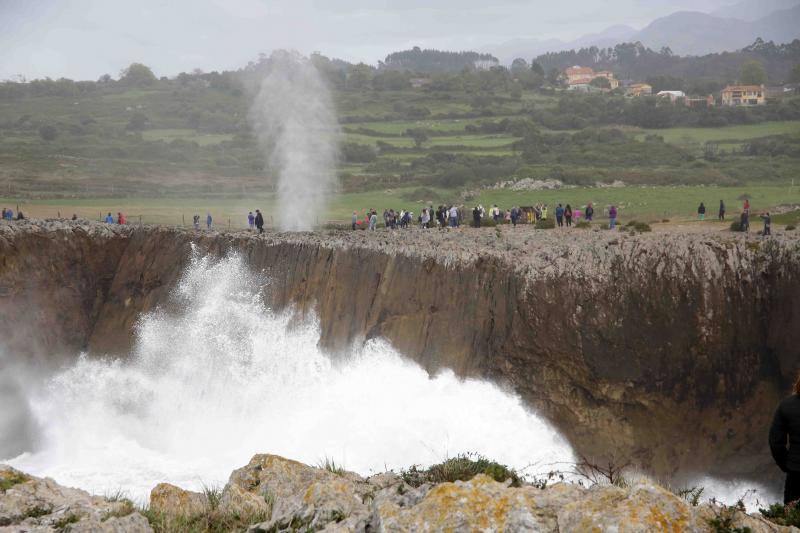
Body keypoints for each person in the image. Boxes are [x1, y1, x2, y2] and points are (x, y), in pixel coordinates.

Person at [769, 374, 800, 504]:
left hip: (796, 473)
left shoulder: (787, 405)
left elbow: (775, 442)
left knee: (792, 518)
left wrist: (787, 465)